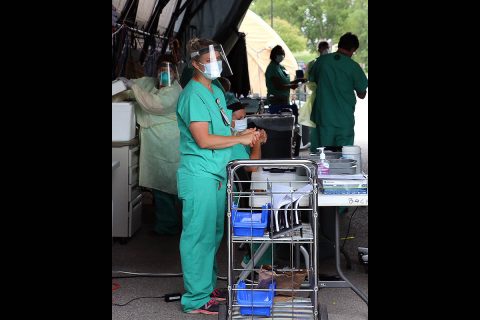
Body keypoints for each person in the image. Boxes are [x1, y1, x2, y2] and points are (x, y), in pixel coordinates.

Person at [176, 37, 260, 315]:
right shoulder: (192, 95)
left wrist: (245, 135)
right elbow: (204, 139)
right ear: (195, 63)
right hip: (200, 175)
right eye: (209, 59)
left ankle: (206, 287)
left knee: (212, 236)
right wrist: (242, 137)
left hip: (215, 175)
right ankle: (195, 299)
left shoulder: (214, 92)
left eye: (217, 57)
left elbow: (223, 133)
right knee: (198, 237)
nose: (216, 63)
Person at [115, 55, 183, 236]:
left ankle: (168, 225)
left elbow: (155, 104)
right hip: (155, 142)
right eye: (161, 70)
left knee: (165, 185)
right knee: (160, 186)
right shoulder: (150, 83)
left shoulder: (174, 91)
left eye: (168, 71)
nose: (164, 74)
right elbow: (134, 87)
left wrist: (133, 88)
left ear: (175, 73)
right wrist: (125, 84)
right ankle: (167, 222)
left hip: (167, 144)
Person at [308, 32, 368, 147]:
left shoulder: (321, 62)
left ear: (339, 45)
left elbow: (313, 81)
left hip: (324, 116)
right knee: (344, 155)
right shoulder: (353, 66)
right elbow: (362, 94)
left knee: (324, 154)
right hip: (344, 118)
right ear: (353, 49)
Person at [304, 40, 330, 152]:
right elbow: (310, 80)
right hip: (319, 98)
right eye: (323, 48)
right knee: (318, 125)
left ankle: (323, 149)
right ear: (318, 49)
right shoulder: (314, 63)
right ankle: (317, 150)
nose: (325, 50)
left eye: (326, 47)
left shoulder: (330, 62)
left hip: (327, 99)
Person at [264, 45, 300, 116]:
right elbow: (278, 86)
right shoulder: (272, 68)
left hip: (284, 99)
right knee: (279, 120)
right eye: (280, 54)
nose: (282, 56)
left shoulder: (281, 67)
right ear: (274, 55)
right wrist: (291, 86)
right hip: (275, 100)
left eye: (283, 54)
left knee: (286, 119)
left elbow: (285, 83)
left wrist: (296, 81)